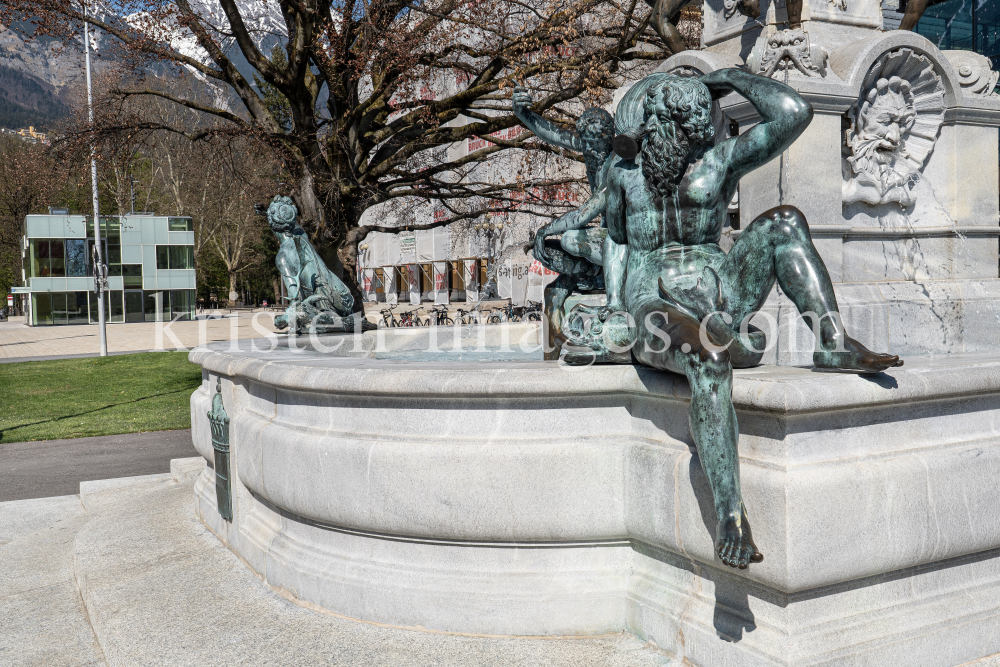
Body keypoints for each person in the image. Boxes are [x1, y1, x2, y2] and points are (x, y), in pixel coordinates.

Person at [589, 70, 902, 569]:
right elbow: (618, 240)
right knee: (709, 360)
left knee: (785, 223)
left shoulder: (719, 162)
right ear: (658, 124)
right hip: (654, 302)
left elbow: (794, 113)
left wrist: (732, 77)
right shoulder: (623, 175)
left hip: (720, 290)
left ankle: (832, 341)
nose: (701, 136)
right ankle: (731, 515)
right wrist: (612, 306)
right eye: (689, 128)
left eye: (703, 127)